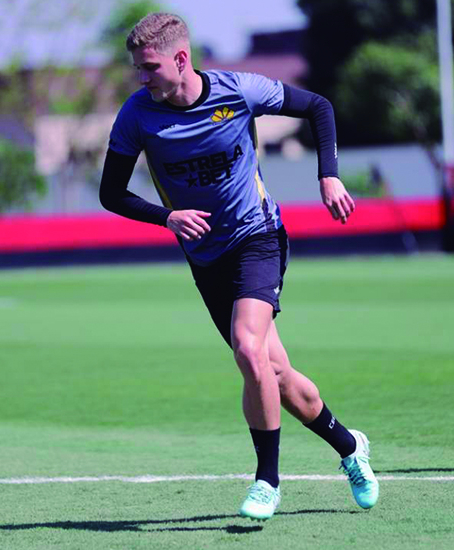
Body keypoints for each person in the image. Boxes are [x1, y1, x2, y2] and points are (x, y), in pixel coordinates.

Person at [99, 12, 378, 521]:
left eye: (149, 66)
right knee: (276, 374)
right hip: (206, 258)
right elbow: (111, 193)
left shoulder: (239, 90)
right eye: (137, 67)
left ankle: (267, 481)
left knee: (249, 349)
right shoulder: (137, 115)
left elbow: (318, 107)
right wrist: (167, 217)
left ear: (181, 59)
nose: (141, 77)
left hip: (258, 235)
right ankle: (349, 445)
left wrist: (329, 176)